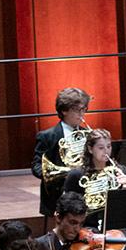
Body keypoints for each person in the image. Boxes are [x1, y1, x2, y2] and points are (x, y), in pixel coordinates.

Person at [32, 87, 92, 215]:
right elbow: (36, 166)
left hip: (84, 190)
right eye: (77, 110)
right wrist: (57, 175)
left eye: (84, 109)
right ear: (64, 110)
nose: (82, 114)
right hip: (58, 192)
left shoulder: (88, 135)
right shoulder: (47, 136)